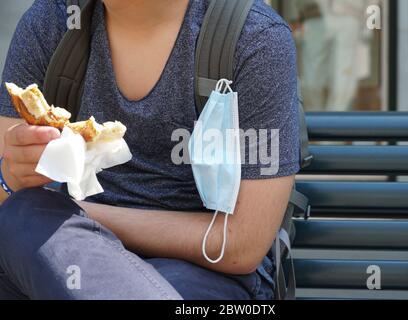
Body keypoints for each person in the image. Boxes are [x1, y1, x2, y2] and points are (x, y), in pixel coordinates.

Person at [0, 0, 300, 300]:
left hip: (203, 274)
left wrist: (80, 217)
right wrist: (12, 177)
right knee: (22, 213)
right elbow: (6, 195)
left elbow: (240, 245)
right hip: (67, 252)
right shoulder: (53, 21)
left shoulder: (253, 36)